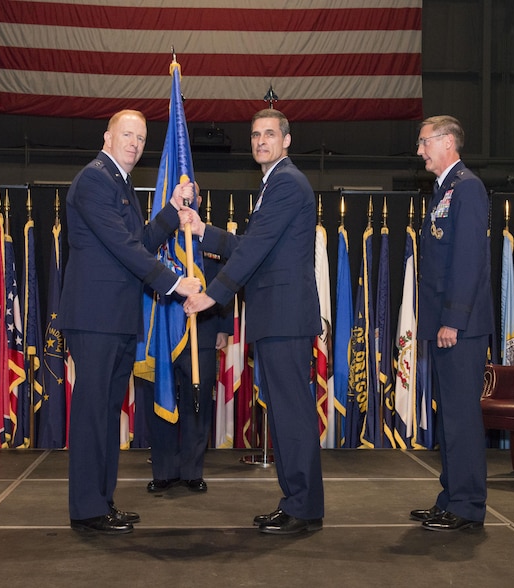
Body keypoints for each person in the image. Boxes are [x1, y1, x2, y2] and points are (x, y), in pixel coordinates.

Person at [60, 109, 201, 535]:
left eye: (141, 138)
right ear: (107, 137)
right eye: (128, 135)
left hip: (117, 318)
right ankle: (87, 508)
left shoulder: (120, 183)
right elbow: (124, 247)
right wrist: (175, 284)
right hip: (95, 318)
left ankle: (101, 502)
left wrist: (171, 212)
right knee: (93, 414)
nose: (135, 144)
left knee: (106, 414)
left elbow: (139, 241)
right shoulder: (94, 180)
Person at [183, 109, 323, 535]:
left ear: (286, 140)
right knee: (283, 414)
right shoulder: (273, 183)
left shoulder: (286, 182)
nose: (261, 141)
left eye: (269, 134)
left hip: (284, 318)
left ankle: (303, 507)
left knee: (292, 415)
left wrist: (212, 295)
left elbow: (254, 249)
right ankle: (296, 502)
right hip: (276, 317)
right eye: (255, 135)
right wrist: (203, 230)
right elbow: (254, 245)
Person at [410, 115, 493, 532]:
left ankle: (468, 505)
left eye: (424, 142)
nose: (419, 150)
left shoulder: (468, 188)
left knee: (461, 418)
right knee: (450, 418)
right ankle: (451, 498)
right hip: (446, 323)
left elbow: (467, 260)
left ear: (447, 142)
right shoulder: (445, 189)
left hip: (460, 327)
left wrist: (453, 320)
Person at [145, 192, 233, 494]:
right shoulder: (156, 235)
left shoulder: (207, 235)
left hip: (204, 328)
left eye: (192, 193)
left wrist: (223, 328)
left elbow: (225, 280)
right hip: (162, 330)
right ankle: (164, 471)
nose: (187, 198)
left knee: (198, 402)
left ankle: (193, 470)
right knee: (161, 398)